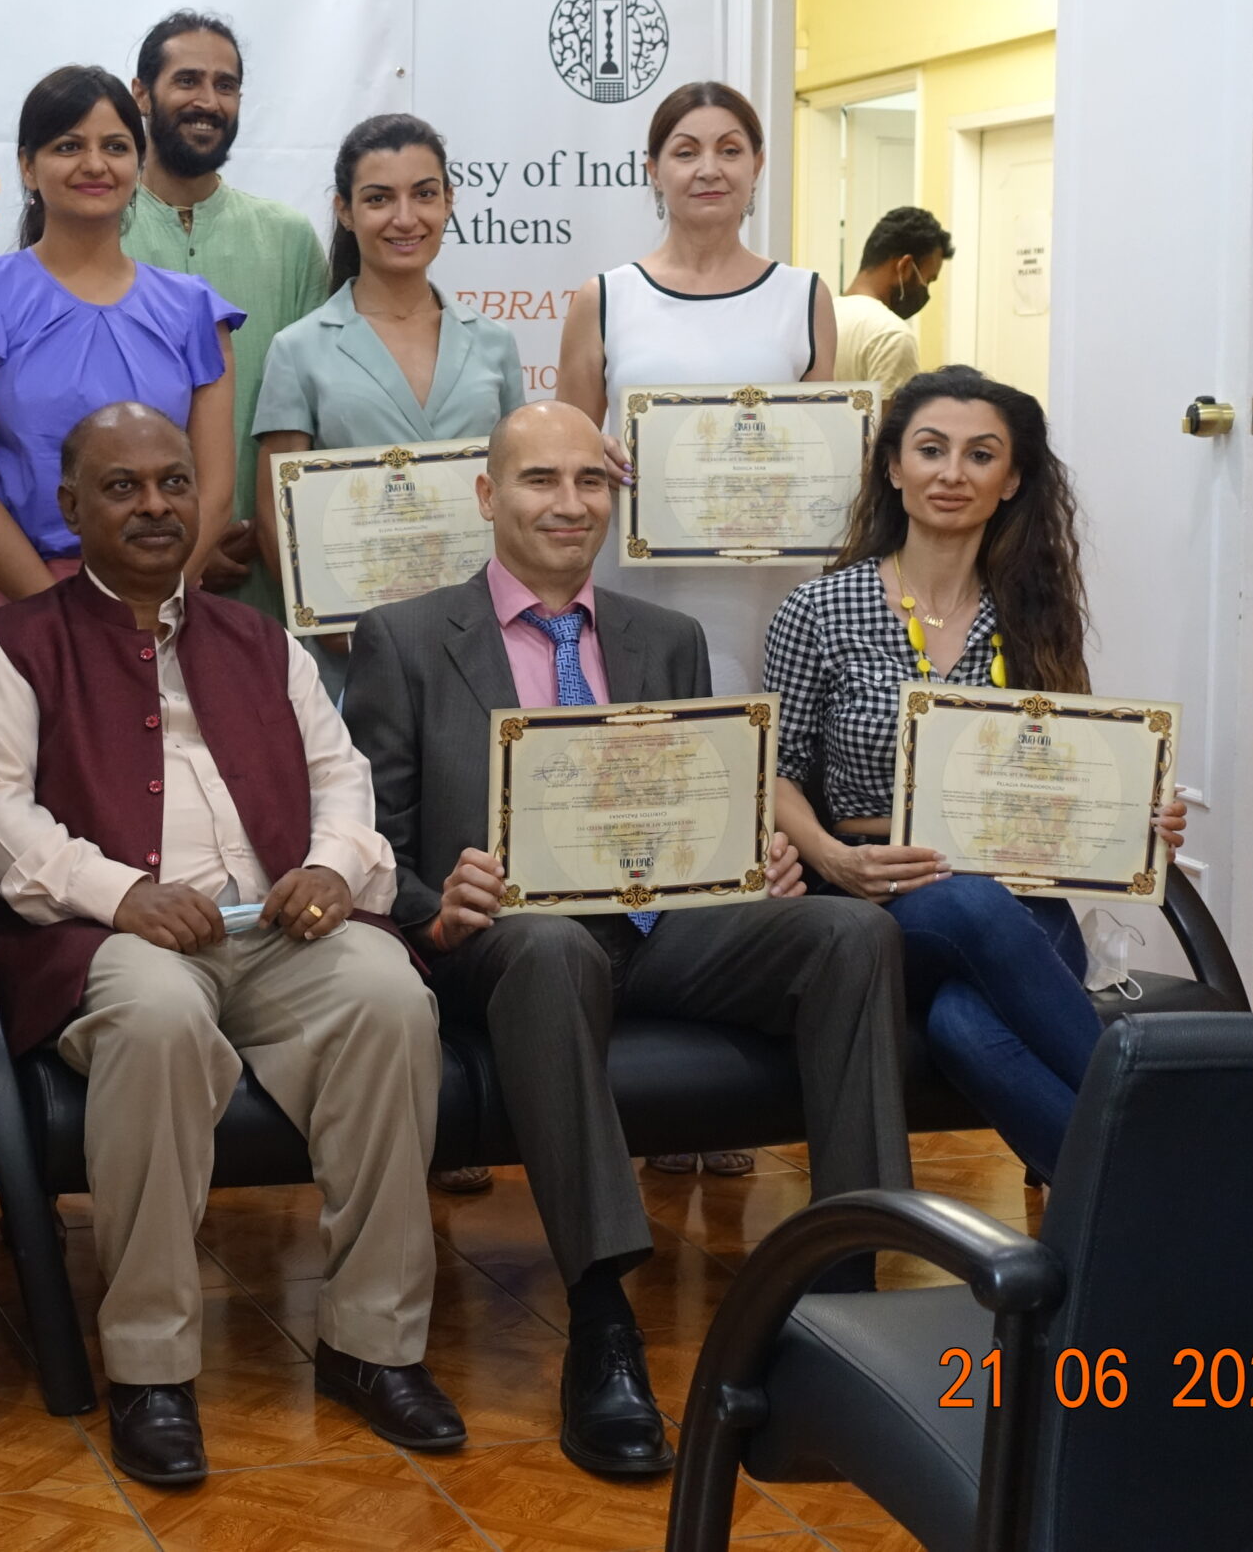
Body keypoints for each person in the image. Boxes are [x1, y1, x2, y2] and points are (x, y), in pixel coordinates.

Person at [342, 401, 911, 1481]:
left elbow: (693, 814)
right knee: (553, 944)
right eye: (539, 481)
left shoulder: (666, 637)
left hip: (661, 931)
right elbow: (375, 839)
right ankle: (603, 1323)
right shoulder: (407, 640)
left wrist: (760, 858)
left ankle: (845, 1307)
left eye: (590, 482)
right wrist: (432, 901)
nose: (568, 504)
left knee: (846, 935)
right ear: (487, 496)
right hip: (503, 944)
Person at [0, 403, 461, 1486]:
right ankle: (150, 1369)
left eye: (172, 483)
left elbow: (340, 776)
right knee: (161, 1013)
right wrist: (121, 893)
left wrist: (331, 864)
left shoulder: (255, 638)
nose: (152, 506)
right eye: (120, 486)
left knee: (387, 996)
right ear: (69, 505)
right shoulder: (16, 645)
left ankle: (374, 1344)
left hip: (276, 924)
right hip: (108, 939)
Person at [764, 365, 1184, 1182]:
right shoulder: (817, 609)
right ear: (894, 467)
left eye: (980, 454)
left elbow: (1075, 770)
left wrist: (1139, 816)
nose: (952, 473)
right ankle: (1172, 1143)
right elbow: (774, 776)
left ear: (1012, 478)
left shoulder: (1035, 614)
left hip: (1024, 897)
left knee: (965, 1025)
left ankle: (1135, 1204)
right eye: (931, 449)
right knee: (966, 899)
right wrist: (830, 857)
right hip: (877, 896)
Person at [558, 79, 839, 1180]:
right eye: (684, 148)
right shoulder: (604, 297)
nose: (707, 166)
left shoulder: (805, 295)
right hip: (645, 597)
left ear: (757, 168)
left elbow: (830, 454)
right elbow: (566, 464)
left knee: (756, 811)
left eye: (729, 147)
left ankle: (734, 1094)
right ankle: (649, 1087)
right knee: (654, 802)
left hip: (768, 595)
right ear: (653, 169)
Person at [0, 66, 242, 658]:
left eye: (115, 147)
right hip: (15, 602)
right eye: (68, 146)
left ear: (139, 165)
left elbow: (214, 491)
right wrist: (67, 621)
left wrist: (150, 607)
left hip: (158, 610)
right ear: (26, 166)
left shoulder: (195, 311)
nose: (94, 164)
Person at [252, 111, 524, 696]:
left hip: (481, 637)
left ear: (449, 200)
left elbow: (516, 488)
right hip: (349, 651)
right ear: (345, 211)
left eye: (424, 194)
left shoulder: (495, 345)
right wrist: (324, 622)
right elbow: (278, 511)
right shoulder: (297, 349)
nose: (405, 218)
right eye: (379, 199)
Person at [122, 10, 331, 617]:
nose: (208, 102)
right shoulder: (98, 229)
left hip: (264, 573)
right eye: (187, 81)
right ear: (142, 93)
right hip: (125, 570)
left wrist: (269, 534)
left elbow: (319, 409)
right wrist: (183, 547)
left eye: (226, 85)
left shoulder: (288, 239)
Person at [833, 206, 953, 400]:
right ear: (905, 267)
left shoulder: (817, 317)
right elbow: (891, 428)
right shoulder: (891, 336)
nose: (926, 289)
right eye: (928, 280)